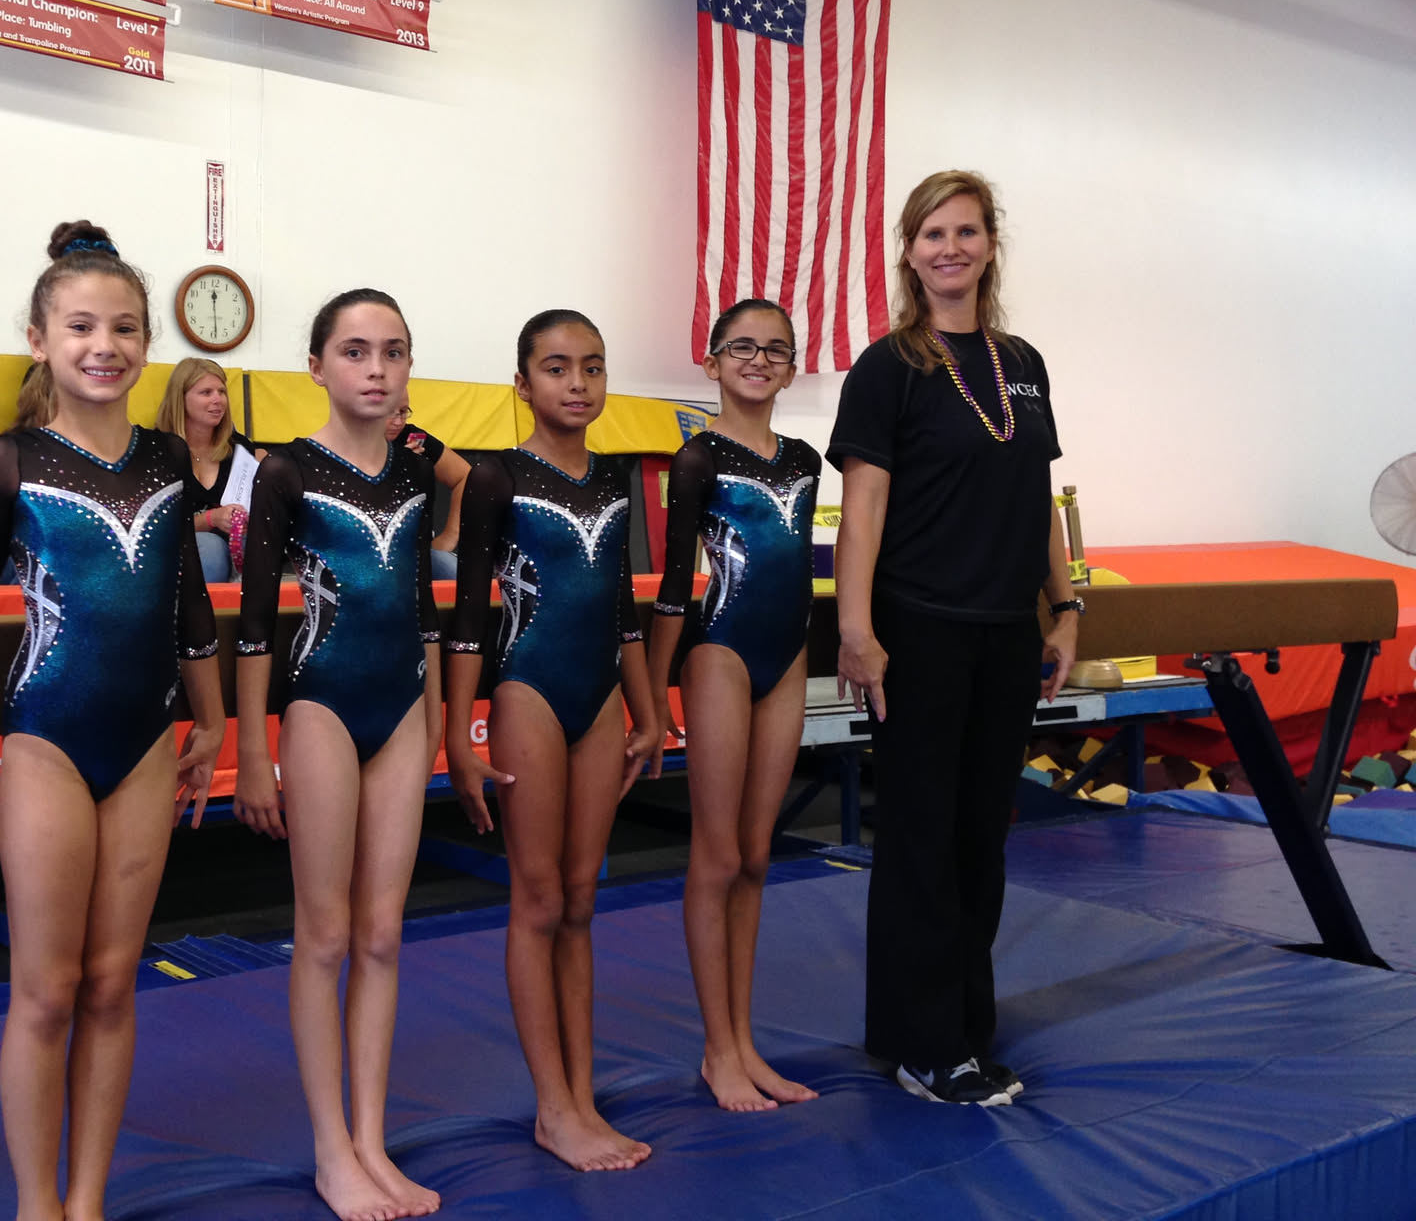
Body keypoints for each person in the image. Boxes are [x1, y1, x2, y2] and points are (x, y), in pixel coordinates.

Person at [0, 220, 226, 1221]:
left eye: (124, 327)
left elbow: (188, 602)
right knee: (46, 990)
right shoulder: (9, 461)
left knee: (113, 984)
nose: (104, 345)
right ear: (39, 340)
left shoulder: (166, 458)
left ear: (146, 343)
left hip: (146, 746)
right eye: (80, 326)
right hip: (47, 739)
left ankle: (86, 1200)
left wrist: (213, 721)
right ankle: (37, 1204)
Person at [829, 170, 1079, 1107]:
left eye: (966, 232)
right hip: (920, 628)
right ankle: (926, 1045)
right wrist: (856, 628)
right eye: (933, 234)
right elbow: (863, 511)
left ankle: (962, 1028)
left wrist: (1067, 607)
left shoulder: (1023, 363)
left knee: (981, 838)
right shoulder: (888, 366)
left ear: (989, 246)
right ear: (909, 251)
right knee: (921, 841)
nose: (950, 249)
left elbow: (1038, 497)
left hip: (1006, 631)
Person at [234, 289, 444, 1221]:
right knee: (324, 934)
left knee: (383, 934)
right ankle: (330, 1149)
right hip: (320, 704)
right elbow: (253, 624)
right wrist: (254, 751)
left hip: (402, 712)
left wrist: (434, 722)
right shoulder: (285, 471)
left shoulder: (415, 473)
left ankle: (371, 1139)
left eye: (392, 351)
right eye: (355, 351)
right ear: (316, 365)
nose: (376, 368)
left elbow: (424, 609)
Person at [442, 309, 660, 1173]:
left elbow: (623, 608)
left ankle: (581, 1092)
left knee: (580, 900)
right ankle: (553, 1107)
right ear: (523, 384)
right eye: (558, 367)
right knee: (536, 900)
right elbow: (468, 615)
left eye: (592, 367)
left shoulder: (614, 476)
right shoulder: (497, 477)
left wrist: (647, 710)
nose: (578, 383)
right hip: (528, 690)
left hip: (600, 700)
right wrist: (458, 733)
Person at [648, 299, 821, 1113]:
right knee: (716, 856)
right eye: (742, 347)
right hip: (718, 651)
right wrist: (654, 695)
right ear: (713, 362)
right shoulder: (698, 459)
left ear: (792, 368)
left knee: (755, 855)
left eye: (775, 350)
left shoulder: (805, 459)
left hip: (788, 656)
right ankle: (718, 1050)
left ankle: (745, 1042)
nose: (759, 360)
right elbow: (674, 587)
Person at [155, 357, 253, 583]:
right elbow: (158, 525)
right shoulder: (158, 450)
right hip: (179, 548)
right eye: (206, 392)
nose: (218, 400)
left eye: (222, 392)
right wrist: (211, 519)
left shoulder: (240, 448)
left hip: (236, 545)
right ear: (180, 399)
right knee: (211, 549)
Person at [385, 395, 468, 581]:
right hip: (370, 556)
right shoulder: (348, 447)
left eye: (403, 412)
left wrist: (450, 536)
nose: (398, 421)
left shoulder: (412, 437)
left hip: (420, 551)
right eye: (390, 413)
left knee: (463, 581)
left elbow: (466, 477)